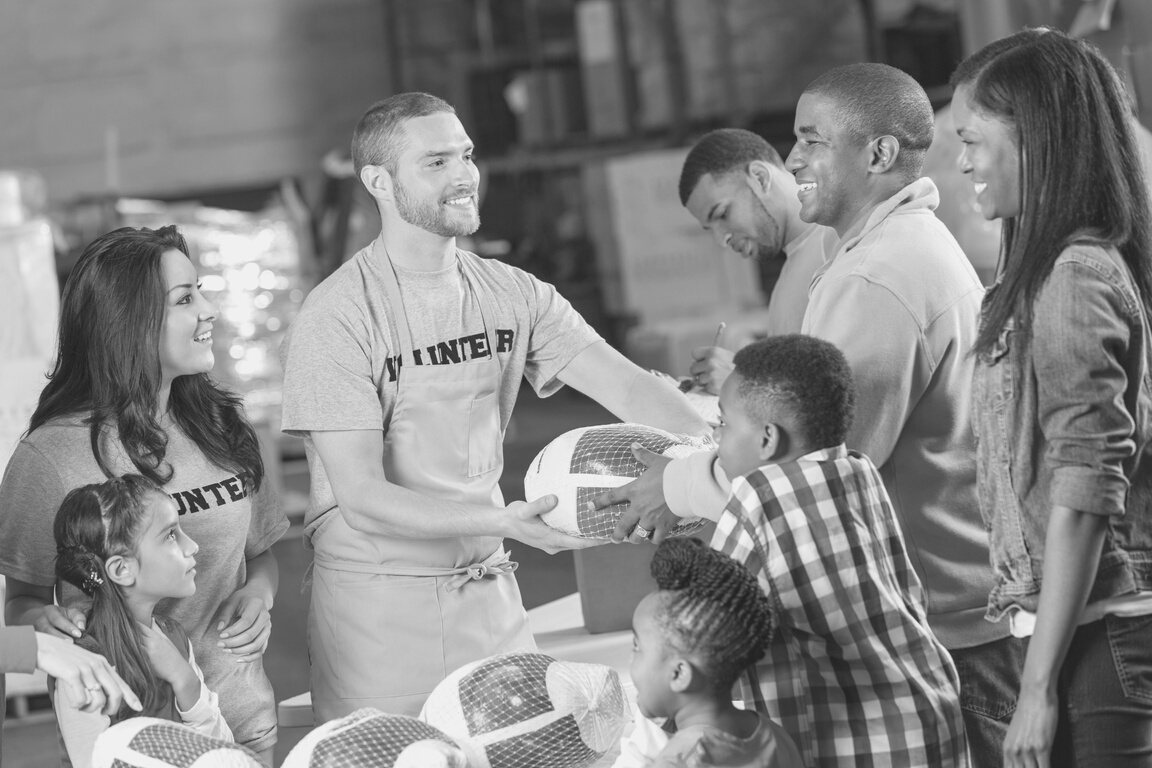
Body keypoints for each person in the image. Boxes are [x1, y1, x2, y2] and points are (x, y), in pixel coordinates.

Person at [597, 63, 1024, 766]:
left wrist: (673, 485)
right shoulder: (882, 253)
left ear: (879, 155)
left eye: (811, 140)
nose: (792, 158)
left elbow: (802, 467)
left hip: (945, 627)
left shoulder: (875, 276)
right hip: (948, 614)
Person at [278, 92, 709, 721]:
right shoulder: (338, 317)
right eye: (435, 162)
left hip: (490, 591)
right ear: (378, 181)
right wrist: (506, 522)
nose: (463, 176)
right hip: (379, 613)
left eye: (466, 155)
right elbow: (363, 496)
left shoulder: (513, 294)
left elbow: (628, 387)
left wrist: (706, 462)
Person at [0, 225, 289, 761]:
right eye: (185, 299)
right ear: (128, 323)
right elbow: (23, 603)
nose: (209, 311)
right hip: (129, 740)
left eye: (199, 291)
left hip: (239, 722)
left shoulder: (224, 425)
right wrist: (38, 626)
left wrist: (259, 595)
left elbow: (261, 554)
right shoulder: (50, 456)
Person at [952, 28, 1152, 768]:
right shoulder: (1046, 272)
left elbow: (1084, 489)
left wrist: (1036, 689)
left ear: (1035, 134)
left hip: (1101, 635)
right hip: (1075, 630)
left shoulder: (1073, 276)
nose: (964, 161)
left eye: (973, 138)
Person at [712, 334, 967, 766]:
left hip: (857, 745)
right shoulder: (857, 470)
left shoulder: (760, 494)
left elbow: (703, 626)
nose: (715, 436)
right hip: (928, 715)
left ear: (767, 439)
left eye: (723, 424)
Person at [52, 475, 233, 767]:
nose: (193, 546)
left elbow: (224, 753)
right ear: (122, 569)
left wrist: (184, 679)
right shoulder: (79, 666)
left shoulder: (173, 637)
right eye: (171, 534)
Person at [616, 537, 802, 768]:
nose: (630, 659)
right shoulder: (776, 737)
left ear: (679, 674)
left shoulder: (677, 761)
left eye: (637, 647)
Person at [677, 128, 833, 394]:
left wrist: (744, 381)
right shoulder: (790, 277)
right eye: (710, 228)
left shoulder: (840, 250)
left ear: (760, 178)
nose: (721, 240)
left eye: (723, 213)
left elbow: (850, 391)